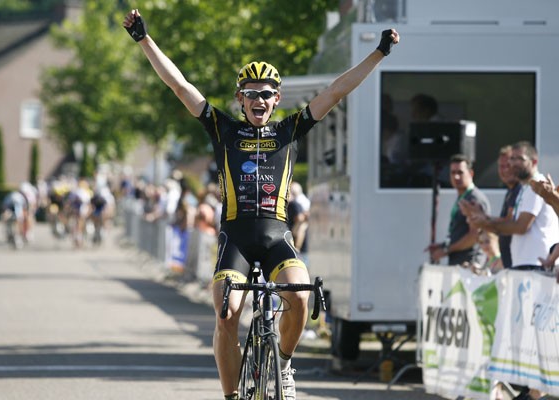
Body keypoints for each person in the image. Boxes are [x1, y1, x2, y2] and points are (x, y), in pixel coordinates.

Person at [123, 9, 399, 400]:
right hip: (235, 237)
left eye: (266, 93)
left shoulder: (290, 129)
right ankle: (232, 395)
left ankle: (284, 363)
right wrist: (144, 40)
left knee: (300, 296)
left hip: (275, 236)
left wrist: (379, 54)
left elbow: (336, 90)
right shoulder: (223, 128)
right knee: (226, 312)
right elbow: (180, 86)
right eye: (250, 92)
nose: (259, 99)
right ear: (240, 98)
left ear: (277, 99)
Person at [469, 141, 559, 271]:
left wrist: (485, 224)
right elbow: (510, 221)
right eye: (512, 158)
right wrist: (483, 219)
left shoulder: (538, 184)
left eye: (520, 159)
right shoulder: (524, 188)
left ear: (534, 162)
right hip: (524, 262)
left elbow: (521, 226)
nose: (514, 163)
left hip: (535, 263)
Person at [460, 145, 521, 268]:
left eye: (507, 166)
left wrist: (483, 220)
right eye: (500, 166)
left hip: (520, 265)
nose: (504, 170)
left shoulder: (521, 190)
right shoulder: (511, 192)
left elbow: (510, 222)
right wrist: (482, 218)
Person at [426, 154, 491, 266]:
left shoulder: (474, 199)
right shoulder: (463, 197)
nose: (456, 177)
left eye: (460, 172)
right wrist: (443, 246)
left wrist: (447, 250)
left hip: (470, 264)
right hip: (459, 263)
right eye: (453, 173)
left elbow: (474, 236)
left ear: (470, 174)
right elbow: (461, 232)